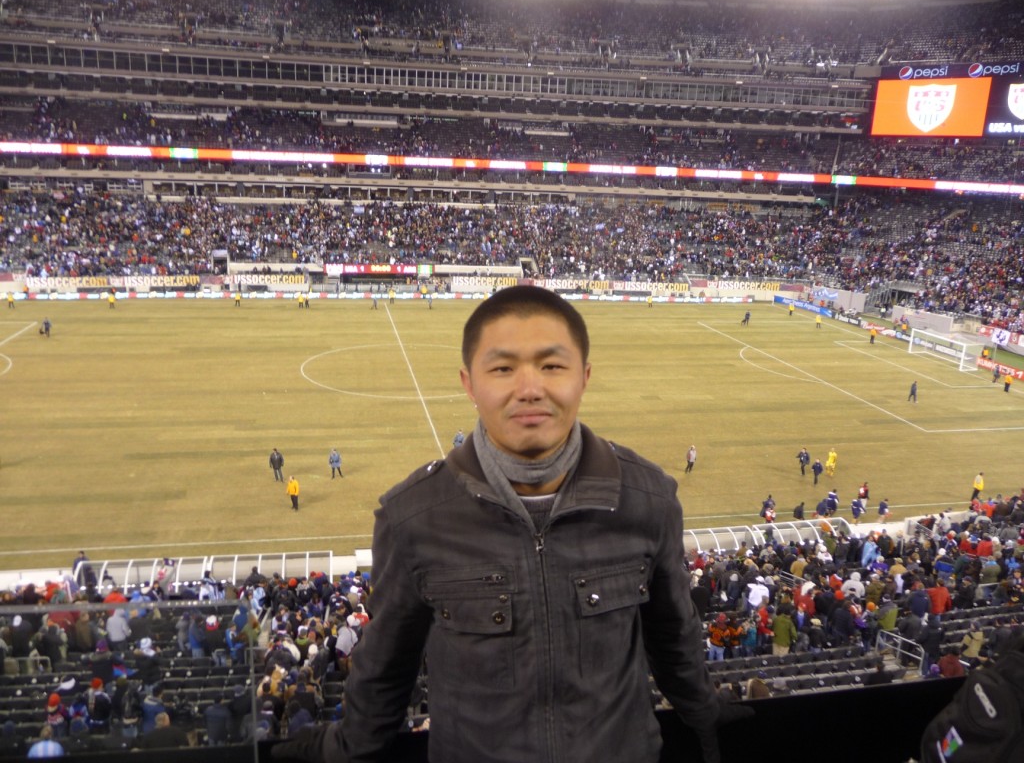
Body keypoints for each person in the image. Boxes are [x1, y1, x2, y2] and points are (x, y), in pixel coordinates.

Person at [271, 285, 750, 763]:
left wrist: (706, 712)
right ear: (468, 382)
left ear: (584, 376)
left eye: (552, 365)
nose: (529, 388)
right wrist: (341, 750)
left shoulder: (647, 499)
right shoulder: (411, 517)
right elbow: (385, 671)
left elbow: (673, 638)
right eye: (503, 368)